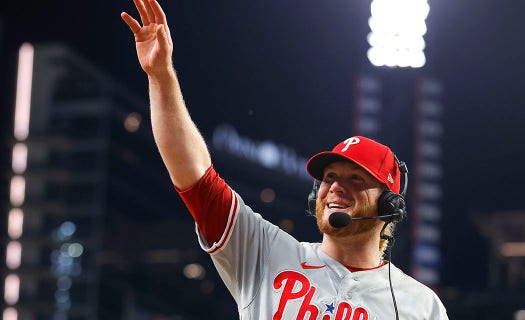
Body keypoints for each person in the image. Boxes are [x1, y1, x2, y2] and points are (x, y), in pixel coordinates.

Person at [121, 0, 449, 319]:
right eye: (329, 177)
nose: (335, 187)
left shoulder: (420, 307)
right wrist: (161, 77)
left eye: (356, 179)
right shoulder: (266, 252)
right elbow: (195, 177)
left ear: (389, 204)